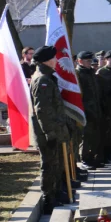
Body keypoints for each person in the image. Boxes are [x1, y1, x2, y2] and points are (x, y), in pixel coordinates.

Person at [30, 46, 72, 210]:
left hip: (51, 130)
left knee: (55, 162)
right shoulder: (43, 80)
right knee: (49, 163)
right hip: (46, 132)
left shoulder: (46, 77)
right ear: (47, 61)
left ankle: (55, 192)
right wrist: (51, 133)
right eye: (54, 58)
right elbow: (43, 110)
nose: (56, 61)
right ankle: (48, 197)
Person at [75, 51, 104, 169]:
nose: (90, 63)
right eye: (87, 61)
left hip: (95, 108)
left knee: (95, 135)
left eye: (90, 61)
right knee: (86, 136)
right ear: (80, 61)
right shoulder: (78, 74)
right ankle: (84, 159)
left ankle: (92, 157)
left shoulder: (91, 73)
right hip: (85, 110)